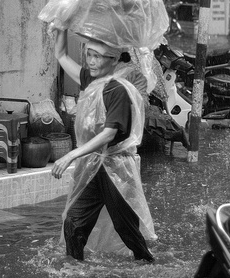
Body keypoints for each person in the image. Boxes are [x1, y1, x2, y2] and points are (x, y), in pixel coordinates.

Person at [51, 28, 156, 263]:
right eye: (89, 55)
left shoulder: (117, 89)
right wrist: (60, 27)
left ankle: (146, 264)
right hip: (93, 166)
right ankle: (74, 268)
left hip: (115, 169)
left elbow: (109, 133)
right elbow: (61, 55)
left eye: (97, 56)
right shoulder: (92, 80)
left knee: (126, 227)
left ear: (114, 59)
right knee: (73, 221)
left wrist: (71, 155)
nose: (91, 61)